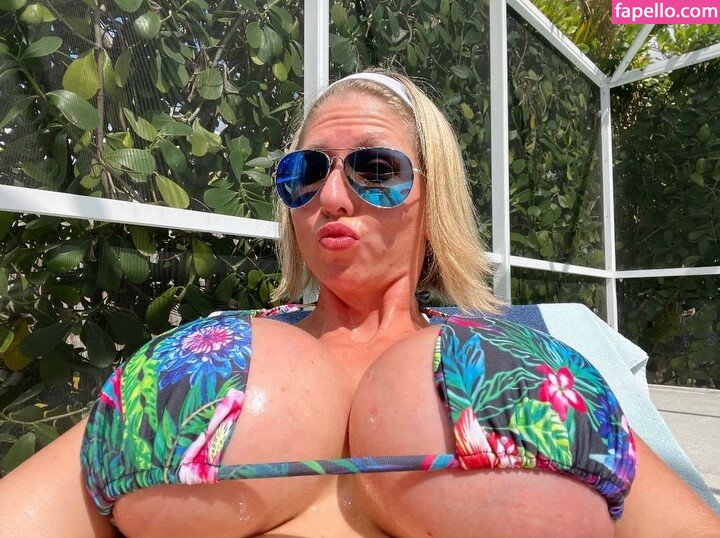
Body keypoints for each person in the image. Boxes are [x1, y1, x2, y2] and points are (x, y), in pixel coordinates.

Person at [1, 70, 718, 538]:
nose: (334, 197)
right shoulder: (213, 354)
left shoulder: (518, 363)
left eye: (375, 168)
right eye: (305, 172)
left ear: (434, 193)